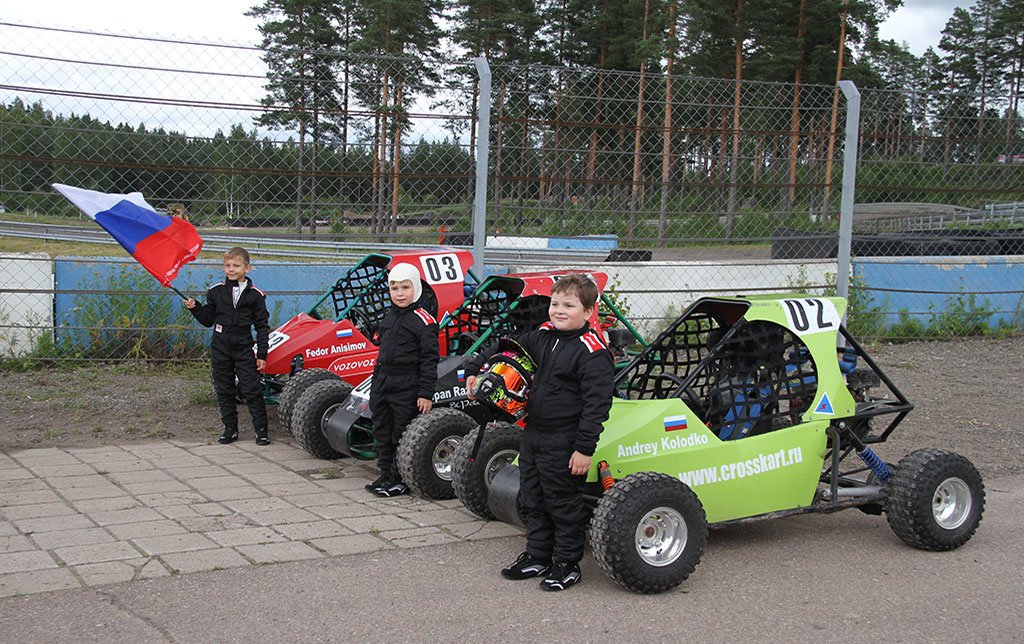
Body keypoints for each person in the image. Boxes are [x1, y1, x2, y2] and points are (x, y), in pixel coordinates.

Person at [466, 273, 614, 591]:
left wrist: (584, 449)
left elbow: (597, 406)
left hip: (565, 439)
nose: (559, 310)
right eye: (555, 303)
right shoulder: (543, 335)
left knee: (562, 503)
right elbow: (502, 348)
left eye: (569, 305)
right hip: (533, 433)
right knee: (533, 498)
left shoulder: (594, 352)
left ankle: (566, 563)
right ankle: (537, 555)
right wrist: (474, 370)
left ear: (589, 312)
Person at [365, 263, 440, 497]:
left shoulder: (424, 321)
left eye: (405, 287)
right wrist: (376, 380)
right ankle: (385, 473)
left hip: (407, 385)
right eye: (394, 288)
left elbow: (429, 360)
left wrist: (425, 393)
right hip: (383, 381)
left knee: (400, 432)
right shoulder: (389, 316)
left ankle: (400, 477)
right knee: (381, 430)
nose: (400, 293)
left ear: (415, 287)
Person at [184, 246, 271, 446]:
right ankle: (230, 429)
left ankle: (261, 430)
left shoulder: (256, 296)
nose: (231, 269)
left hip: (243, 346)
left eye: (236, 265)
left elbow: (262, 326)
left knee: (251, 389)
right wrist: (195, 307)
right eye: (227, 265)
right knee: (224, 389)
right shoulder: (216, 291)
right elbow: (208, 319)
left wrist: (262, 354)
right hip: (220, 346)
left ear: (247, 268)